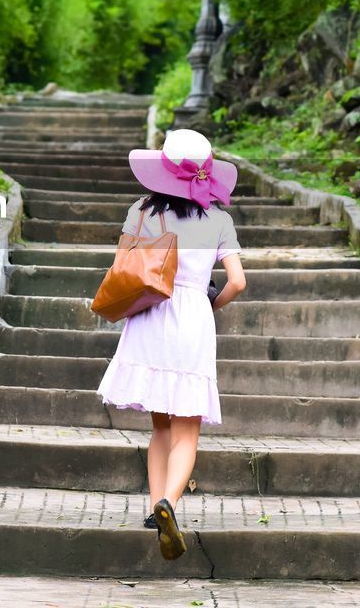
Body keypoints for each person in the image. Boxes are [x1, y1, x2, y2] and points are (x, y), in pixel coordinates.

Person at [96, 128, 247, 561]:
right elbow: (238, 281)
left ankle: (152, 507)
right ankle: (170, 504)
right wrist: (209, 303)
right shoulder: (219, 219)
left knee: (160, 425)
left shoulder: (142, 211)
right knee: (187, 429)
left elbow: (123, 267)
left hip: (149, 315)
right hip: (192, 320)